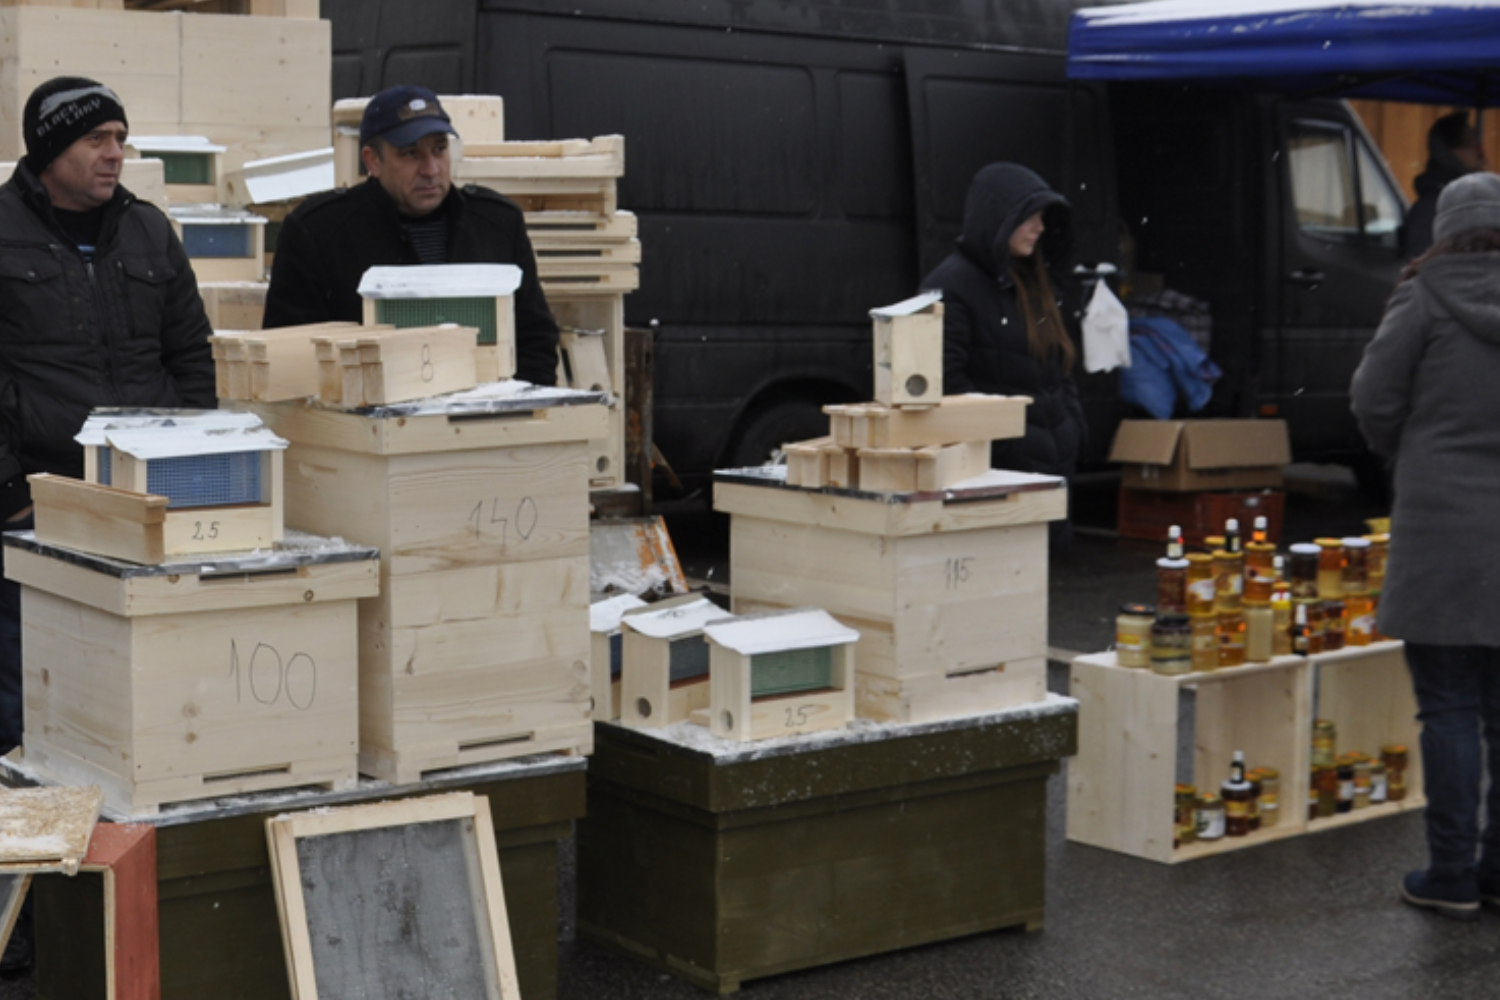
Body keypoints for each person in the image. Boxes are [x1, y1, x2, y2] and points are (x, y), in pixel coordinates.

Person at [0, 75, 215, 974]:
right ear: (51, 149)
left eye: (121, 137)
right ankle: (24, 914)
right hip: (39, 511)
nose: (115, 154)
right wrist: (10, 496)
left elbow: (190, 356)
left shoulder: (150, 232)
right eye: (97, 139)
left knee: (139, 705)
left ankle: (125, 903)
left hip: (144, 507)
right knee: (27, 713)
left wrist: (199, 473)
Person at [1351, 171, 1500, 921]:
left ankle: (1450, 873)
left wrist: (1406, 453)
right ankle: (1498, 871)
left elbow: (1372, 397)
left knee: (1447, 707)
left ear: (1444, 228)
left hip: (1440, 527)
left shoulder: (1423, 294)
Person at [263, 85, 560, 385]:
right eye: (410, 154)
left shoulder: (497, 224)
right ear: (372, 161)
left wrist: (516, 407)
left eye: (439, 150)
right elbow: (288, 356)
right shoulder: (318, 232)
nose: (431, 169)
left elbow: (536, 341)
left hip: (485, 411)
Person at [920, 162, 1085, 544]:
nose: (1039, 228)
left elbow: (1058, 369)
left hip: (1050, 476)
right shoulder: (951, 286)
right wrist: (1009, 444)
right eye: (1029, 217)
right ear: (998, 218)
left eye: (1043, 218)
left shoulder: (1033, 281)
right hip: (996, 480)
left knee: (1043, 576)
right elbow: (945, 384)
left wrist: (1073, 431)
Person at [1405, 111, 1486, 259]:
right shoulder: (1432, 209)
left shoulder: (1477, 200)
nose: (1479, 150)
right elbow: (1424, 265)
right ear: (1449, 153)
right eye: (1468, 143)